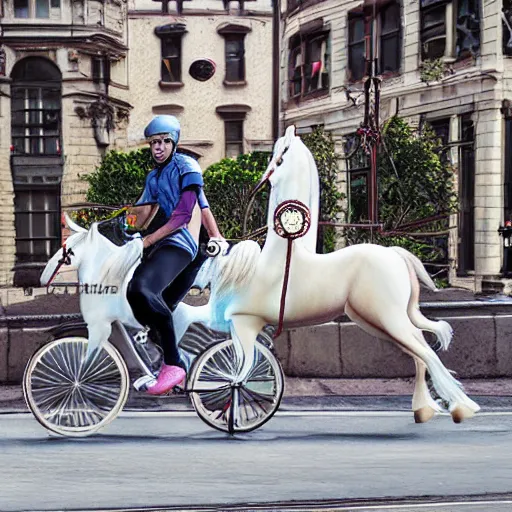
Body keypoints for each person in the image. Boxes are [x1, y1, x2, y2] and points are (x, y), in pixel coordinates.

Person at [127, 115, 223, 396]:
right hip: (165, 244)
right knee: (145, 307)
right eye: (154, 142)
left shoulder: (187, 166)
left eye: (165, 141)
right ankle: (181, 365)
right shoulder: (154, 177)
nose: (158, 147)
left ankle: (172, 364)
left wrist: (147, 241)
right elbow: (141, 212)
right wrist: (118, 226)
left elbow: (185, 214)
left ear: (174, 143)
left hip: (181, 244)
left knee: (141, 287)